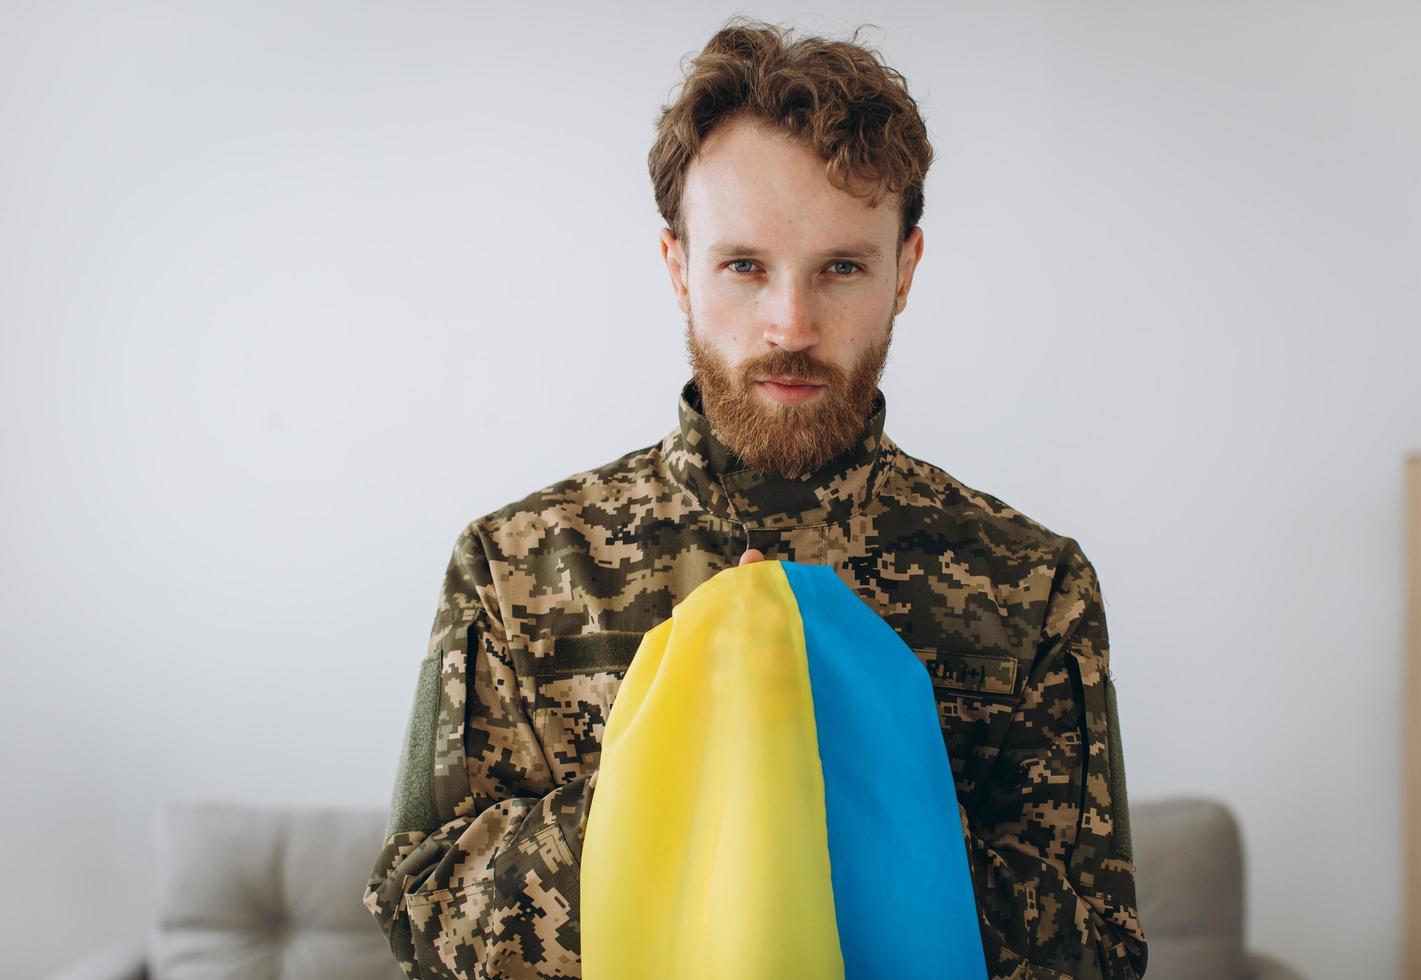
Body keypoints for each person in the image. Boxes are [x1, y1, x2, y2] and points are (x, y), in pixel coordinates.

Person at [362, 15, 1147, 980]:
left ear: (904, 271)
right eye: (744, 266)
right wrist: (698, 755)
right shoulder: (517, 564)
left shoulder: (1034, 587)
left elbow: (1100, 953)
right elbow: (420, 895)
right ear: (676, 268)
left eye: (842, 268)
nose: (791, 322)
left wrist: (861, 768)